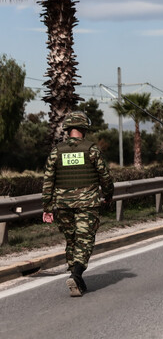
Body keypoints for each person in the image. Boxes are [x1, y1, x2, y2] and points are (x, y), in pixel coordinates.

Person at [42, 111, 114, 297]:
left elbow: (48, 180)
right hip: (87, 203)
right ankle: (76, 274)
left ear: (67, 129)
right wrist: (108, 194)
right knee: (85, 239)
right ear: (84, 128)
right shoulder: (91, 149)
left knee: (72, 240)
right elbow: (104, 176)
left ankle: (77, 278)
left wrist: (47, 207)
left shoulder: (56, 151)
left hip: (63, 204)